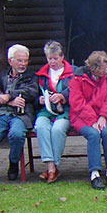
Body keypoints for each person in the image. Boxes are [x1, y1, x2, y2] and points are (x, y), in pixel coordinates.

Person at [0, 44, 38, 183]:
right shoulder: (2, 76)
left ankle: (13, 163)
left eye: (25, 60)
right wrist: (9, 101)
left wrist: (9, 95)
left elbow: (32, 92)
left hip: (21, 115)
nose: (23, 64)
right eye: (19, 60)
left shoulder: (31, 76)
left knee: (16, 134)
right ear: (10, 61)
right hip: (2, 113)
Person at [69, 51, 107, 190]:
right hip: (81, 117)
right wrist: (92, 120)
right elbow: (77, 102)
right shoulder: (77, 79)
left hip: (103, 116)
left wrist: (103, 116)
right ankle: (95, 173)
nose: (106, 70)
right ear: (94, 68)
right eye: (103, 68)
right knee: (93, 134)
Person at [33, 40, 73, 184]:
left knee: (57, 130)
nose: (53, 61)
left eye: (55, 58)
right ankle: (51, 168)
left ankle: (52, 167)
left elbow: (76, 91)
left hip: (66, 111)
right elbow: (34, 95)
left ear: (62, 57)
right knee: (41, 127)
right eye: (50, 58)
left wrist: (63, 96)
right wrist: (40, 99)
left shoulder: (72, 72)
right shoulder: (41, 75)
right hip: (46, 111)